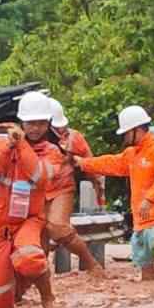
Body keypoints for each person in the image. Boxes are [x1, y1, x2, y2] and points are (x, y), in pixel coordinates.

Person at [74, 105, 154, 282]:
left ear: (137, 129)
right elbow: (111, 163)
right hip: (142, 220)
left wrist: (149, 199)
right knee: (144, 262)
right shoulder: (133, 154)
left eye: (126, 133)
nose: (125, 137)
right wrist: (84, 163)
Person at [0, 92, 62, 308]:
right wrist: (8, 146)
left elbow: (40, 176)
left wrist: (23, 146)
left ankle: (48, 298)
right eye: (30, 123)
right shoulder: (0, 142)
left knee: (30, 259)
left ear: (48, 124)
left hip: (28, 219)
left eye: (40, 123)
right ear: (21, 122)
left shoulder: (53, 152)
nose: (35, 128)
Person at [46, 98, 105, 276]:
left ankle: (90, 263)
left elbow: (91, 163)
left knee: (58, 227)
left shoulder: (73, 138)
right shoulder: (25, 137)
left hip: (61, 189)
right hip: (35, 192)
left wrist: (99, 191)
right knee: (36, 240)